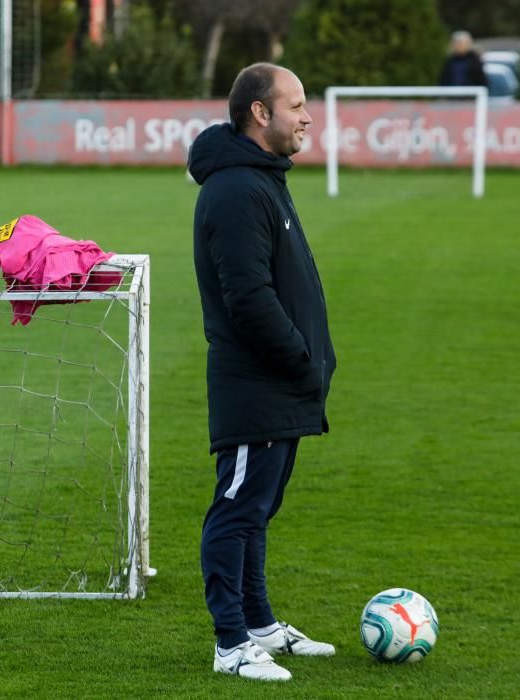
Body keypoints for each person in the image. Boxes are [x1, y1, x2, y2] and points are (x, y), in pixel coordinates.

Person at [187, 63, 337, 682]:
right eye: (296, 104)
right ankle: (231, 644)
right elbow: (247, 298)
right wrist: (302, 359)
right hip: (258, 383)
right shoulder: (235, 190)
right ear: (259, 112)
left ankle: (260, 624)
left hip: (281, 384)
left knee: (258, 508)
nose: (307, 116)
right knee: (236, 508)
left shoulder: (263, 179)